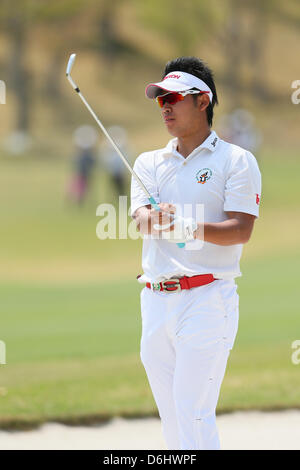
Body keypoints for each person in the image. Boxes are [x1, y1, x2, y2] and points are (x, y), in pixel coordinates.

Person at [130, 57, 261, 450]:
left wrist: (185, 225)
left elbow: (241, 230)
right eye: (159, 99)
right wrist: (156, 218)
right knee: (172, 416)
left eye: (173, 97)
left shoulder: (236, 160)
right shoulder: (148, 162)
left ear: (203, 101)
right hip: (155, 301)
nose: (165, 106)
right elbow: (141, 219)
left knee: (192, 410)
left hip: (207, 299)